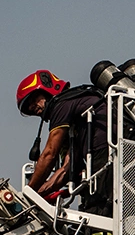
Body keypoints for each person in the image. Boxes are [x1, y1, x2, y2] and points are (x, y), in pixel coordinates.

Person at [15, 70, 109, 210]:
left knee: (99, 209)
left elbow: (49, 154)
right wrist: (39, 194)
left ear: (47, 89)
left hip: (104, 154)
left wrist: (28, 193)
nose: (33, 107)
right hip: (107, 154)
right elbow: (67, 169)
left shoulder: (62, 104)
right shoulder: (76, 122)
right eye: (29, 107)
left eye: (33, 100)